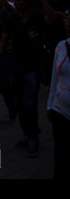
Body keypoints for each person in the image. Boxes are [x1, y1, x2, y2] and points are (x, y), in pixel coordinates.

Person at [0, 0, 58, 158]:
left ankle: (32, 137)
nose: (15, 2)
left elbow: (52, 18)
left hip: (32, 68)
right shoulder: (12, 19)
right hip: (15, 68)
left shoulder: (38, 15)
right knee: (19, 105)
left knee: (30, 104)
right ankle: (28, 133)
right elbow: (4, 40)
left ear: (28, 1)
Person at [47, 13, 70, 179]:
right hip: (60, 110)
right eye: (67, 20)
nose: (67, 23)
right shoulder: (61, 46)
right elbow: (55, 78)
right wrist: (50, 105)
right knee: (60, 156)